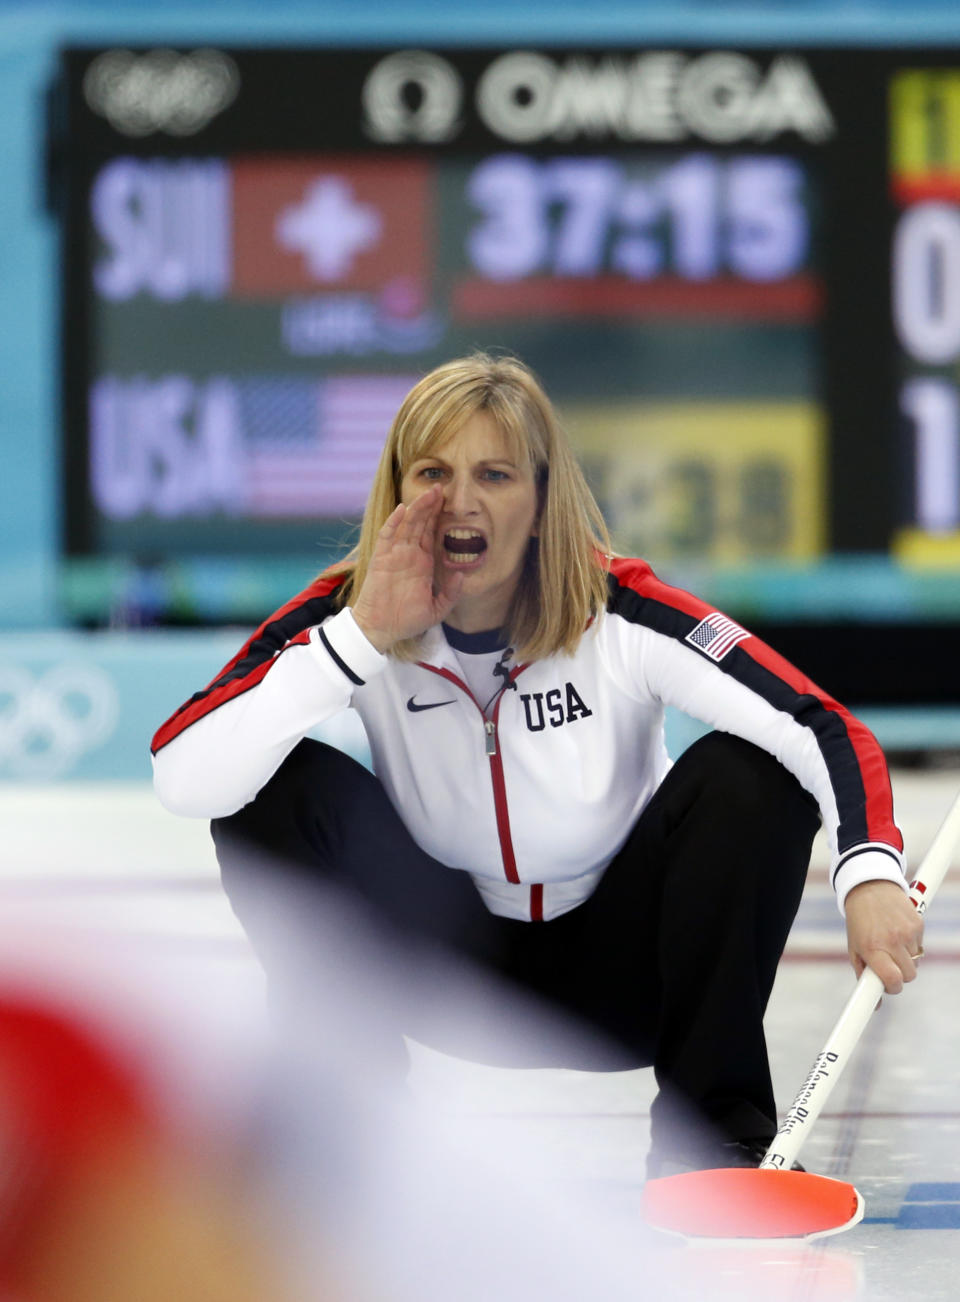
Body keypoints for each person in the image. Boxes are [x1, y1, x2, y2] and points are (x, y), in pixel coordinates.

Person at [151, 352, 923, 1177]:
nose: (463, 500)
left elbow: (820, 723)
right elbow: (187, 776)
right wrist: (360, 641)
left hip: (636, 977)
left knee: (749, 777)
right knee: (272, 784)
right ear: (397, 491)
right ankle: (358, 1132)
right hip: (448, 972)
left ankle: (716, 1144)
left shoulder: (623, 613)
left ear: (542, 498)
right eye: (434, 472)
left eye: (496, 473)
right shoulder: (349, 614)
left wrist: (868, 872)